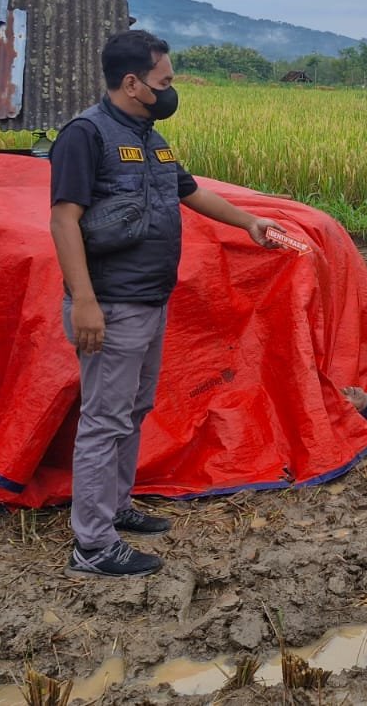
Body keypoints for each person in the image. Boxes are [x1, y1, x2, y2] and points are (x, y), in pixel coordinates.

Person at [49, 29, 280, 579]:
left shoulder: (150, 137)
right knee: (104, 420)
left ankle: (117, 506)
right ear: (132, 83)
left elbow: (188, 190)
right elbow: (64, 220)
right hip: (110, 303)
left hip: (150, 300)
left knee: (133, 411)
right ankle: (93, 546)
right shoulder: (86, 135)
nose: (171, 90)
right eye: (165, 81)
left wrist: (249, 221)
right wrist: (84, 301)